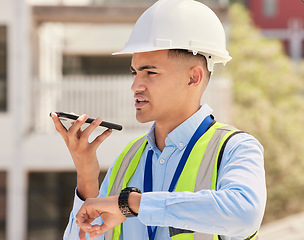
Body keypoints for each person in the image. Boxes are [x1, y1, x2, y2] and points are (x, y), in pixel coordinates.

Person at [51, 0, 266, 239]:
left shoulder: (235, 148)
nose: (135, 85)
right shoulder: (127, 160)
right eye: (134, 72)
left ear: (193, 77)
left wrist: (133, 203)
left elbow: (245, 214)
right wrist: (87, 178)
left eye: (150, 72)